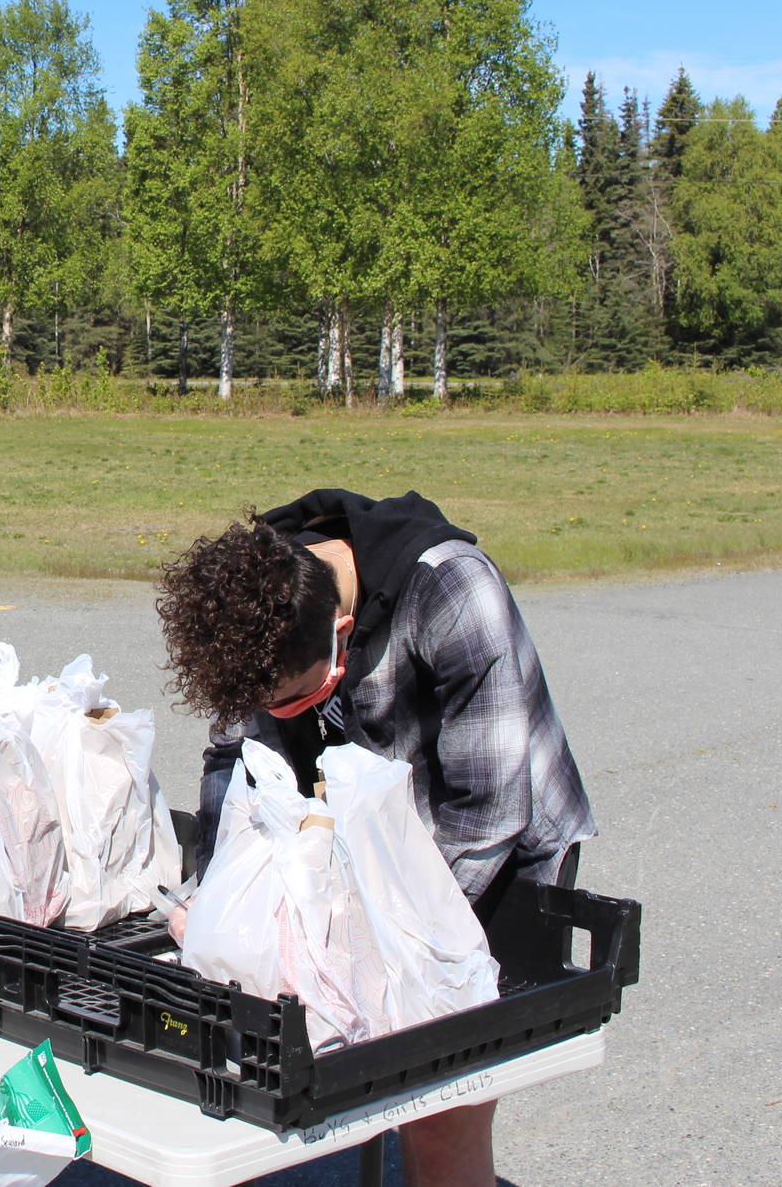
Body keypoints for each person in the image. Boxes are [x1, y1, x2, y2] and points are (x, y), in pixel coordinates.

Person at [154, 488, 596, 1187]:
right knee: (298, 1074)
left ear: (344, 631)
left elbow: (489, 809)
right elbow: (228, 764)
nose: (286, 716)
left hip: (490, 860)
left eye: (298, 700)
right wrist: (218, 900)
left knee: (439, 1110)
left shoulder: (453, 589)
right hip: (361, 858)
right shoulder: (260, 593)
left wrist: (381, 941)